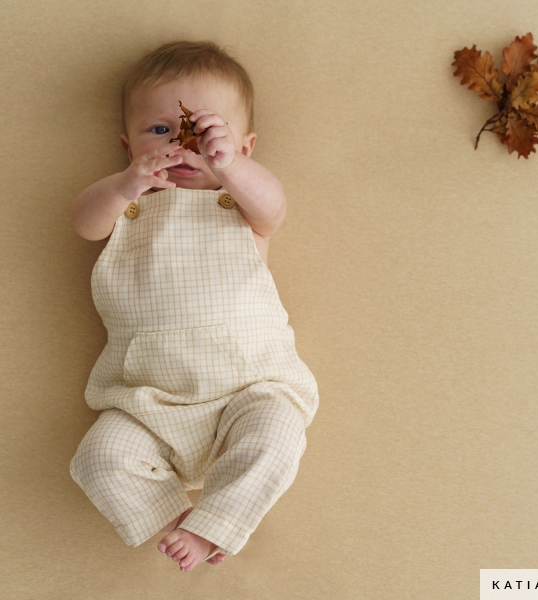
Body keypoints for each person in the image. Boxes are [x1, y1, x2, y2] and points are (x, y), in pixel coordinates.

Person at [69, 40, 319, 573]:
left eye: (206, 133)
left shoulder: (240, 207)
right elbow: (85, 223)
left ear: (244, 147)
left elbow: (274, 204)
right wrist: (125, 185)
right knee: (96, 460)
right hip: (147, 404)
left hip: (248, 390)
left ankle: (218, 524)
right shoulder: (129, 204)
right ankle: (176, 520)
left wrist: (229, 170)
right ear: (127, 145)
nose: (181, 144)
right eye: (158, 131)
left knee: (277, 437)